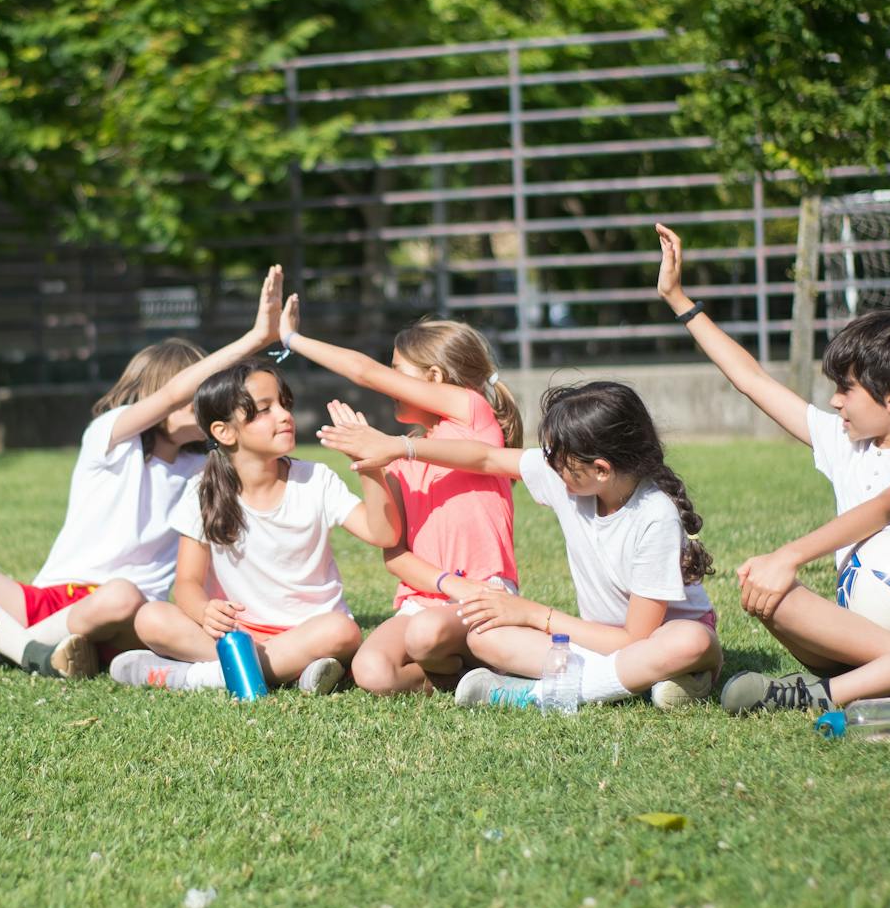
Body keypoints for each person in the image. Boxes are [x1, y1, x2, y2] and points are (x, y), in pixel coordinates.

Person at [652, 222, 890, 714]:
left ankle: (831, 693)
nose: (834, 403)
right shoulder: (843, 440)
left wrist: (789, 554)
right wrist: (678, 299)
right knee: (765, 590)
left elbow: (884, 508)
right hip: (857, 631)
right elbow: (750, 379)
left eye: (846, 389)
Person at [0, 266, 284, 679]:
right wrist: (254, 339)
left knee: (121, 595)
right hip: (49, 598)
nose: (205, 404)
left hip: (124, 615)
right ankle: (30, 651)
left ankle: (6, 645)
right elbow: (173, 394)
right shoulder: (110, 438)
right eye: (198, 392)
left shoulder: (206, 470)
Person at [318, 381, 722, 710]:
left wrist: (533, 614)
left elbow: (634, 640)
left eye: (560, 461)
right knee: (482, 638)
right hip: (595, 643)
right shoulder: (571, 481)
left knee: (691, 641)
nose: (550, 468)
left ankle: (538, 694)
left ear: (601, 469)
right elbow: (486, 459)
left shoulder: (654, 516)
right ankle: (652, 685)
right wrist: (400, 447)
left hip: (651, 641)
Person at [273, 299, 523, 694]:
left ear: (435, 377)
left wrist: (292, 338)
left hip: (484, 594)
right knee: (371, 671)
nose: (388, 382)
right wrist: (369, 463)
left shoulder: (471, 410)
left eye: (397, 373)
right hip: (429, 597)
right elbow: (393, 548)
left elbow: (363, 372)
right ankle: (465, 674)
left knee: (424, 635)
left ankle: (492, 654)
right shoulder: (398, 453)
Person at [109, 360, 402, 693]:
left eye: (284, 404)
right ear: (224, 432)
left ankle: (206, 676)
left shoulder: (315, 480)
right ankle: (285, 669)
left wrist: (369, 467)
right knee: (151, 617)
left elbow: (383, 534)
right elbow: (187, 583)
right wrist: (205, 611)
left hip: (310, 629)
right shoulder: (202, 490)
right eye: (264, 410)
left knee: (342, 632)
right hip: (238, 632)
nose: (283, 415)